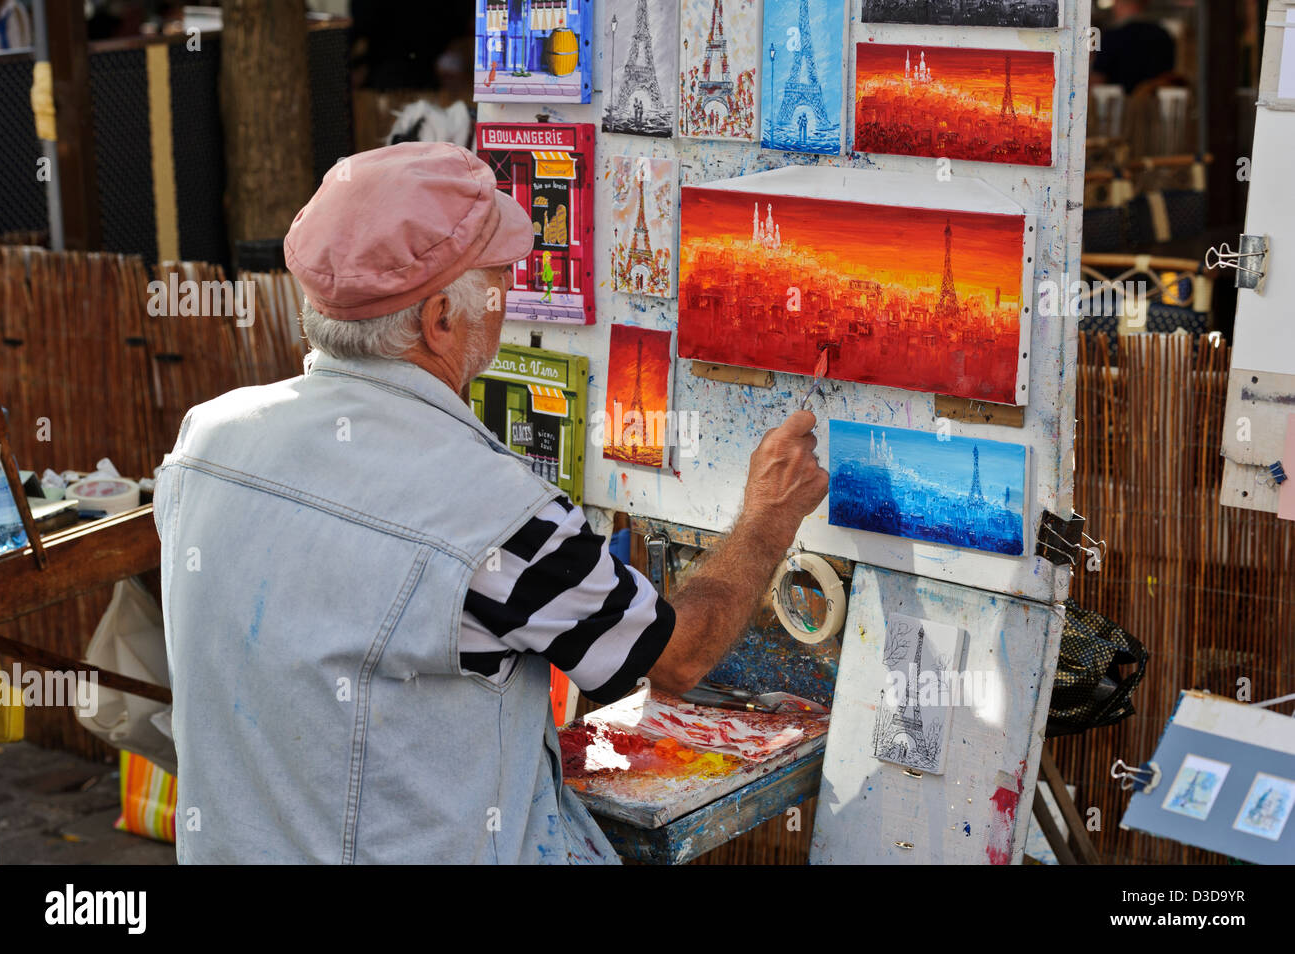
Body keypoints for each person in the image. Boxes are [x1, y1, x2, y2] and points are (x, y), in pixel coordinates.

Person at [153, 142, 828, 864]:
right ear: (441, 317)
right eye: (503, 280)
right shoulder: (490, 509)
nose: (513, 300)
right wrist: (767, 518)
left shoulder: (209, 439)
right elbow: (676, 657)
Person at [1091, 0, 1177, 94]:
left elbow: (1097, 79)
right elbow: (1169, 77)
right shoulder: (1164, 35)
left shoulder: (1112, 36)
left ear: (1119, 3)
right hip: (1154, 105)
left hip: (1120, 105)